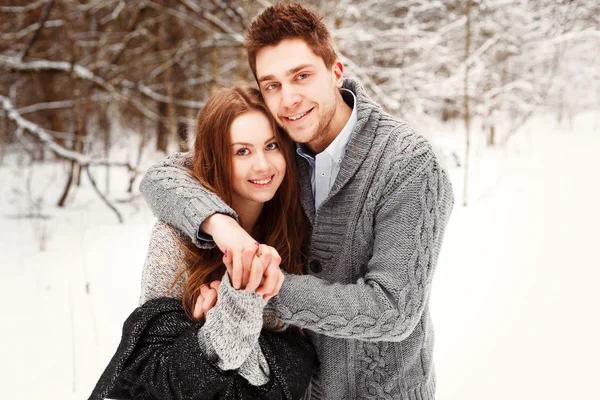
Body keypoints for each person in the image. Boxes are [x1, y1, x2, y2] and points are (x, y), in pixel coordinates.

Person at [140, 3, 455, 399]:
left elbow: (392, 310)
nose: (288, 99)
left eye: (301, 76)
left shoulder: (407, 164)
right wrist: (222, 225)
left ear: (336, 72)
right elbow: (164, 176)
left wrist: (259, 290)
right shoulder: (281, 145)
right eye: (272, 85)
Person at [89, 85, 316, 400]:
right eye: (242, 151)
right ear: (216, 158)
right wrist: (233, 313)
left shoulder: (299, 228)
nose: (263, 165)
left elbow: (297, 368)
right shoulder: (175, 239)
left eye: (271, 145)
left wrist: (221, 317)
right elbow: (159, 378)